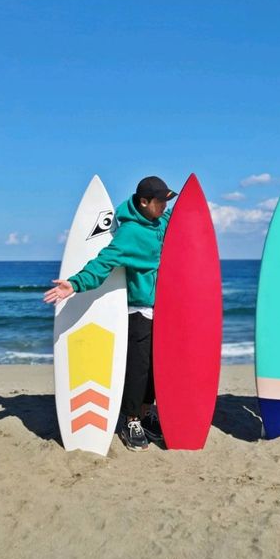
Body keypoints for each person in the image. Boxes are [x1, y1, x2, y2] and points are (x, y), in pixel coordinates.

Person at [44, 175, 177, 452]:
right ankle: (130, 421)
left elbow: (178, 222)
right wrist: (75, 283)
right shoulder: (130, 234)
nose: (165, 205)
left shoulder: (161, 222)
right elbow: (104, 262)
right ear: (143, 202)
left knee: (157, 369)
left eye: (167, 200)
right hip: (139, 310)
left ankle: (145, 413)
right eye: (160, 201)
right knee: (138, 371)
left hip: (162, 311)